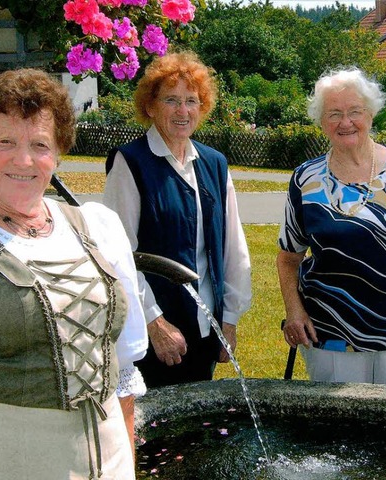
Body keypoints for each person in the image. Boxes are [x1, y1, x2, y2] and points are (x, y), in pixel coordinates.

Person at [0, 69, 148, 479]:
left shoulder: (98, 226)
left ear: (57, 155)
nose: (24, 160)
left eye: (40, 145)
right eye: (6, 142)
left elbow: (123, 369)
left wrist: (126, 463)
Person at [277, 67, 386, 385]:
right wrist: (294, 311)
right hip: (332, 333)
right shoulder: (305, 179)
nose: (345, 122)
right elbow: (288, 257)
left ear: (370, 114)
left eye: (354, 111)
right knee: (340, 431)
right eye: (334, 113)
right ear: (322, 121)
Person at [103, 51, 251, 387]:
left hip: (206, 328)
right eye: (171, 100)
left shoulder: (214, 164)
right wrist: (155, 324)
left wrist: (229, 319)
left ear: (203, 107)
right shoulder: (131, 163)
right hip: (154, 331)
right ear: (150, 106)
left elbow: (233, 248)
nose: (183, 111)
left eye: (191, 101)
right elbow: (118, 256)